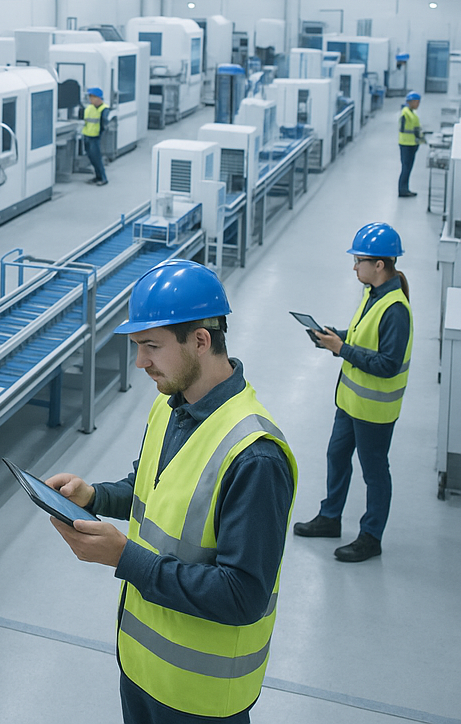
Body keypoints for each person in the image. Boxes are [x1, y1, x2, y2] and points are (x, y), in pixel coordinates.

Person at [47, 260, 297, 723]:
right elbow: (149, 490)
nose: (140, 362)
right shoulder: (171, 408)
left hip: (200, 698)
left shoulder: (255, 457)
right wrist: (94, 496)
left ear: (200, 341)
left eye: (151, 347)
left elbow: (243, 595)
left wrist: (125, 558)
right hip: (142, 668)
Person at [293, 222, 413, 563]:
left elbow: (387, 364)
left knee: (374, 473)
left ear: (379, 265)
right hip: (349, 402)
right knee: (336, 456)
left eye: (359, 260)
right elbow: (362, 336)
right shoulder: (372, 295)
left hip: (374, 410)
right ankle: (330, 517)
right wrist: (334, 336)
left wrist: (341, 348)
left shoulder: (395, 309)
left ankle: (371, 536)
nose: (354, 266)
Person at [397, 91, 424, 197]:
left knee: (408, 168)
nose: (418, 104)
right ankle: (402, 190)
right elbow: (403, 128)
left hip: (412, 144)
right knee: (406, 167)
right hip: (406, 144)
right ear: (411, 102)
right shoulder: (405, 113)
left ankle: (406, 189)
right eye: (417, 102)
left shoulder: (412, 112)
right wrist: (416, 133)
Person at [82, 86, 109, 186]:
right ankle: (97, 177)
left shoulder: (104, 109)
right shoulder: (89, 108)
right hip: (87, 135)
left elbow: (104, 125)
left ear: (98, 98)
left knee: (97, 158)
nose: (90, 99)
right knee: (91, 158)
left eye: (92, 97)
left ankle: (103, 178)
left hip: (95, 137)